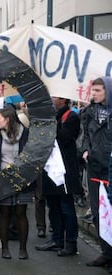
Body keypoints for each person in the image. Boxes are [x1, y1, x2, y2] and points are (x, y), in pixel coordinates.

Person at [35, 97, 81, 256]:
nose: (51, 99)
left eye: (55, 97)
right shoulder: (53, 116)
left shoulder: (71, 116)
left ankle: (70, 243)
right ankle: (56, 239)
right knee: (53, 207)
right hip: (50, 168)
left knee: (66, 208)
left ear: (62, 99)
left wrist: (52, 122)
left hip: (64, 170)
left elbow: (64, 139)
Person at [0, 107, 30, 260]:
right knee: (4, 213)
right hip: (3, 179)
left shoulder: (25, 134)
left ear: (7, 119)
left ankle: (23, 249)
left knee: (21, 212)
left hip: (22, 178)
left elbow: (30, 155)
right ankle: (5, 248)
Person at [81, 77, 112, 268]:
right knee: (98, 212)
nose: (94, 94)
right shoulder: (89, 112)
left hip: (110, 168)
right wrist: (85, 150)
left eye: (99, 90)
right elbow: (85, 135)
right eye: (93, 90)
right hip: (93, 167)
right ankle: (106, 252)